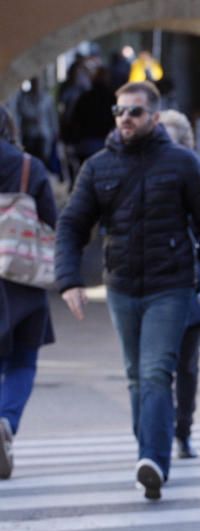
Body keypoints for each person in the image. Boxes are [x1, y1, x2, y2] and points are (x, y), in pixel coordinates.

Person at [55, 81, 200, 500]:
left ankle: (154, 459)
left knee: (157, 371)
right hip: (121, 286)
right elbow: (71, 225)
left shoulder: (181, 163)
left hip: (171, 286)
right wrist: (69, 280)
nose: (125, 118)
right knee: (136, 377)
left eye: (134, 112)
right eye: (119, 111)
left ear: (154, 118)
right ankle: (149, 455)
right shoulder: (98, 166)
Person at [159, 109, 200, 459]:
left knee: (186, 364)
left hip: (191, 283)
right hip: (156, 284)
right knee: (157, 366)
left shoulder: (196, 176)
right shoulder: (146, 174)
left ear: (185, 143)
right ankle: (159, 432)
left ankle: (183, 430)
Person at [0, 105, 58, 480]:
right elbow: (52, 220)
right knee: (23, 358)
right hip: (21, 276)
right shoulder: (27, 166)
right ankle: (6, 419)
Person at [14, 78, 59, 165]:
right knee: (30, 158)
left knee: (43, 158)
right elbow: (21, 110)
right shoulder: (24, 97)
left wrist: (55, 130)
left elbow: (52, 116)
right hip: (29, 133)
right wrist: (32, 117)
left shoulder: (47, 98)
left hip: (43, 133)